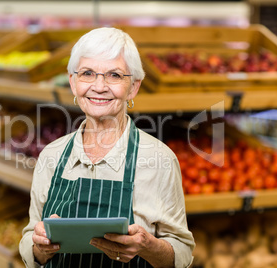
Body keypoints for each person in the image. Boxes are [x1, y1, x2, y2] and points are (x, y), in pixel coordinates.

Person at [20, 27, 195, 268]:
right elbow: (30, 237)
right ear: (73, 82)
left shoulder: (159, 159)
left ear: (133, 87)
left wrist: (148, 246)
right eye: (88, 73)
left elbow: (182, 253)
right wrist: (38, 247)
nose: (99, 86)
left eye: (114, 75)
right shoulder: (52, 155)